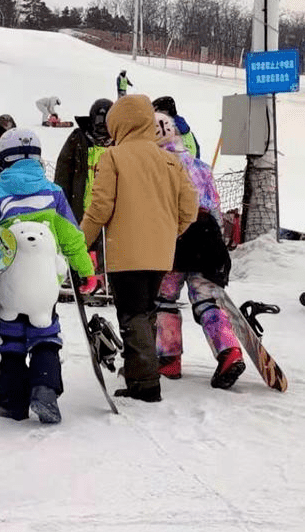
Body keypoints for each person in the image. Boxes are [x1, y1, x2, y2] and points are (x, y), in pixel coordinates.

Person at [79, 95, 199, 403]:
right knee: (146, 312)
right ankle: (138, 374)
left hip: (127, 252)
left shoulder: (114, 157)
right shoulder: (170, 159)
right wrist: (170, 233)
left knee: (132, 315)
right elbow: (190, 207)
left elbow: (100, 207)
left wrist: (79, 242)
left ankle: (145, 383)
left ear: (117, 123)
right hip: (160, 253)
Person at [0, 128, 95, 424]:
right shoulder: (53, 193)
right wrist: (85, 270)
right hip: (43, 286)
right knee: (45, 337)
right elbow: (71, 236)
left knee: (11, 343)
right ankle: (44, 389)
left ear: (3, 159)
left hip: (8, 285)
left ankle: (12, 403)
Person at [152, 112, 244, 389]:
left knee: (164, 299)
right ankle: (229, 351)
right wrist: (218, 246)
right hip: (207, 235)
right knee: (206, 300)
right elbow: (214, 206)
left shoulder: (157, 165)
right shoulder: (201, 166)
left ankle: (169, 358)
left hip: (175, 236)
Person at [54, 99, 114, 293]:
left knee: (106, 242)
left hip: (108, 203)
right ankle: (79, 275)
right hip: (80, 201)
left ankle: (104, 276)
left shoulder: (118, 142)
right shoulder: (78, 138)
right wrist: (62, 199)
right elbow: (64, 170)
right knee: (80, 240)